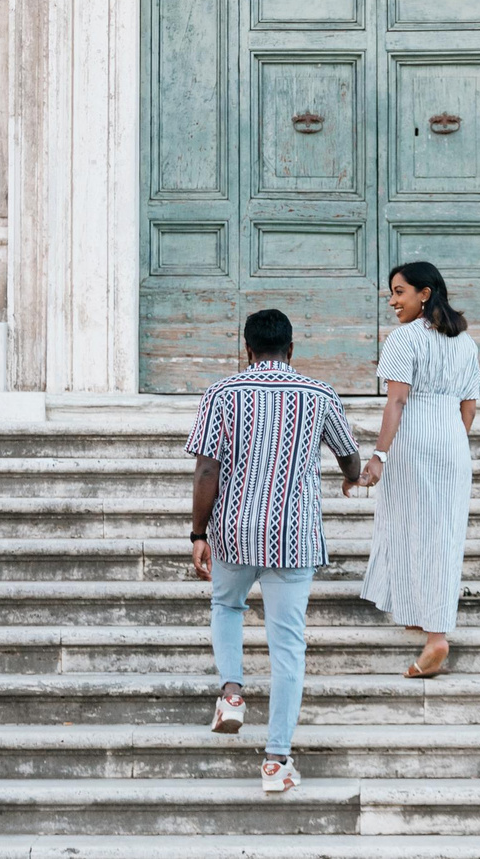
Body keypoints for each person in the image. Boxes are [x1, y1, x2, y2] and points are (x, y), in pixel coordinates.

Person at [186, 307, 363, 795]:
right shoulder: (319, 393)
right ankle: (276, 762)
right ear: (291, 350)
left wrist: (197, 533)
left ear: (247, 351)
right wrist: (352, 478)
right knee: (288, 646)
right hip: (294, 536)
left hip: (235, 530)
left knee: (226, 605)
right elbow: (348, 454)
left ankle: (232, 694)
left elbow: (206, 472)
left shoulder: (222, 393)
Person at [359, 260, 480, 677]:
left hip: (414, 439)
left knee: (414, 529)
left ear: (424, 294)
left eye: (399, 292)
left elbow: (395, 402)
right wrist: (453, 443)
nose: (392, 301)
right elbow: (469, 406)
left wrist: (379, 456)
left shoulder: (403, 339)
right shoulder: (465, 342)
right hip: (452, 441)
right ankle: (421, 614)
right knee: (442, 533)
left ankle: (436, 637)